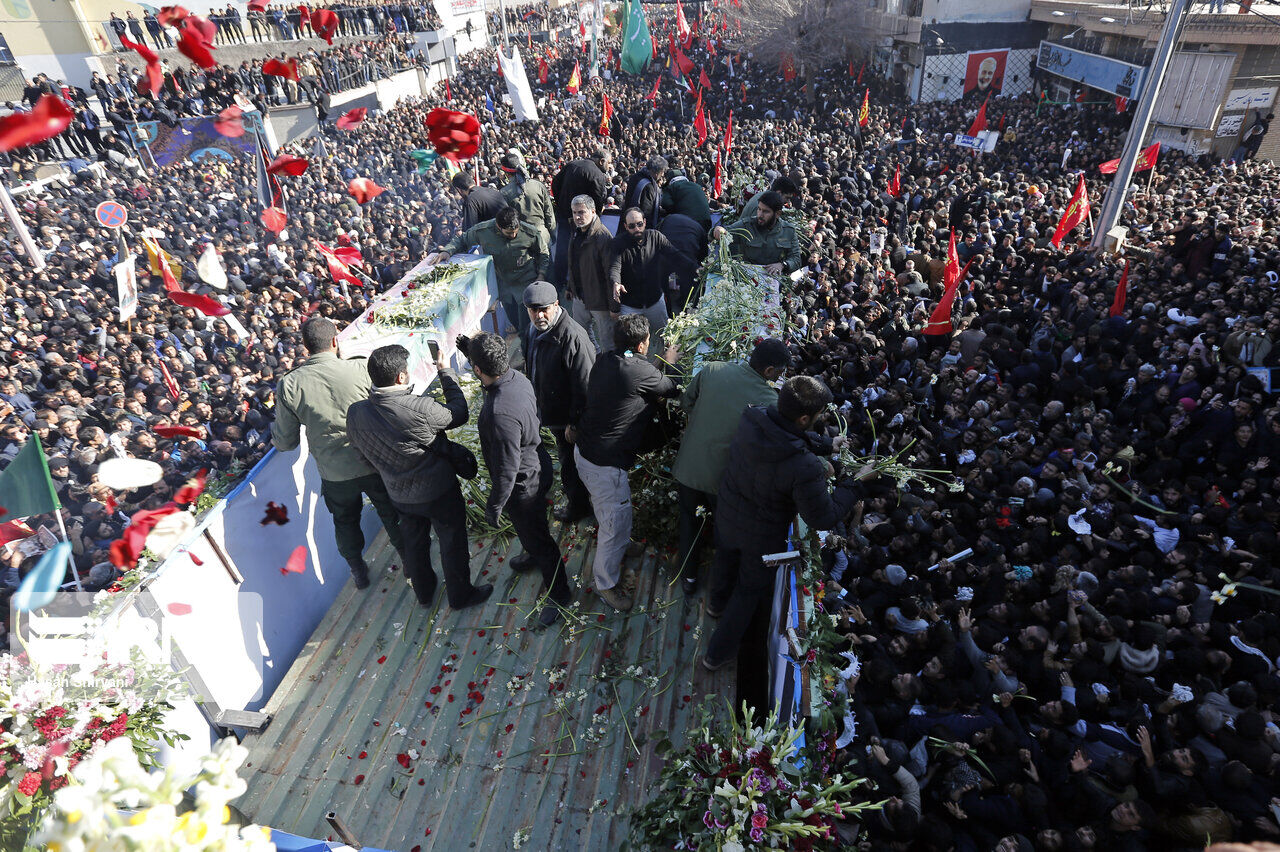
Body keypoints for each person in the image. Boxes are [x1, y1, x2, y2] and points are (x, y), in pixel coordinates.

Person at [702, 377, 865, 675]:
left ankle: (714, 605)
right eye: (816, 417)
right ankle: (715, 654)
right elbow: (823, 516)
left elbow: (785, 434)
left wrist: (828, 444)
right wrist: (855, 484)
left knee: (724, 558)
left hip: (728, 512)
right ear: (805, 418)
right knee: (748, 592)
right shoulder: (804, 468)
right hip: (761, 536)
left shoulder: (753, 415)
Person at [345, 344, 493, 611]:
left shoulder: (356, 413)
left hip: (399, 494)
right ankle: (460, 596)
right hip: (439, 490)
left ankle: (424, 593)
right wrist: (446, 373)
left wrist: (388, 472)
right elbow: (458, 413)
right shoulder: (418, 407)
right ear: (401, 377)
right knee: (451, 541)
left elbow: (361, 454)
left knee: (414, 543)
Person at [271, 317, 405, 589]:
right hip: (374, 460)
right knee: (392, 513)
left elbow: (285, 443)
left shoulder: (290, 384)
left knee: (345, 521)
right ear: (335, 341)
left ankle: (358, 570)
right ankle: (411, 560)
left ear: (306, 346)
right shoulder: (359, 367)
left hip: (335, 473)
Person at [460, 330, 571, 627]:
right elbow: (489, 378)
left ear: (479, 369)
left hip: (524, 484)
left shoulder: (498, 413)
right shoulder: (517, 378)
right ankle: (532, 552)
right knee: (532, 531)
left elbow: (507, 470)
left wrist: (494, 506)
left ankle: (559, 593)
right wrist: (469, 353)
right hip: (539, 464)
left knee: (541, 540)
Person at [572, 314, 679, 611]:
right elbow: (669, 388)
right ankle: (606, 584)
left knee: (610, 512)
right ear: (644, 343)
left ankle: (621, 543)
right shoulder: (637, 368)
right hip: (605, 466)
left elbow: (638, 374)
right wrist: (668, 361)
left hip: (586, 453)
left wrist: (654, 365)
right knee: (614, 524)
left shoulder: (608, 359)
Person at [670, 338, 790, 594]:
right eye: (780, 373)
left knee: (689, 521)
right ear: (769, 371)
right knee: (724, 531)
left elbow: (685, 402)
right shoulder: (769, 400)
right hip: (724, 480)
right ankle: (719, 587)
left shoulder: (713, 369)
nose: (779, 378)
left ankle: (688, 577)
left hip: (689, 467)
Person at [520, 280, 596, 524]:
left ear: (556, 304)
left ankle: (579, 506)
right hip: (550, 411)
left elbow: (584, 386)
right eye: (534, 310)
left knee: (571, 463)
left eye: (545, 309)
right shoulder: (534, 330)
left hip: (568, 419)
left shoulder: (573, 337)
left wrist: (573, 423)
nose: (540, 315)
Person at [429, 206, 549, 338]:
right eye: (509, 233)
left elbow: (543, 253)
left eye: (516, 232)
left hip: (525, 281)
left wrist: (541, 275)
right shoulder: (483, 231)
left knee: (528, 323)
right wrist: (448, 251)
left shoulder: (529, 232)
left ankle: (529, 346)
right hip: (504, 285)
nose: (513, 236)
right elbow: (462, 239)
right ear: (498, 226)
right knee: (513, 318)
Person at [610, 207, 694, 358]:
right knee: (627, 346)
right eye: (631, 226)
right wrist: (616, 282)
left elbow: (675, 255)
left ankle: (667, 363)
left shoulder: (656, 236)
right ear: (625, 226)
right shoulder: (618, 243)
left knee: (667, 336)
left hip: (655, 301)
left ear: (645, 222)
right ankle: (631, 367)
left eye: (639, 224)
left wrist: (696, 268)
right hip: (630, 305)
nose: (637, 228)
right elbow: (615, 267)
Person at [550, 147, 612, 289]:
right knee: (582, 248)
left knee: (563, 246)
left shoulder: (572, 164)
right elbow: (598, 198)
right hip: (583, 219)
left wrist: (561, 203)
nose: (609, 167)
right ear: (601, 161)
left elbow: (555, 183)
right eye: (608, 163)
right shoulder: (597, 173)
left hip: (564, 214)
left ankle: (559, 280)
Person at [565, 194, 619, 351]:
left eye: (581, 212)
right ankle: (595, 358)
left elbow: (611, 273)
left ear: (593, 211)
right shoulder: (575, 231)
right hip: (579, 296)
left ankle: (610, 369)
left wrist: (614, 306)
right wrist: (570, 287)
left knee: (609, 342)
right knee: (581, 336)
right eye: (574, 212)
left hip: (599, 300)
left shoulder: (603, 236)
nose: (577, 217)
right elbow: (573, 262)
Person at [712, 190, 803, 277]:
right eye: (759, 209)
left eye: (765, 211)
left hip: (773, 280)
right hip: (747, 279)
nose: (760, 215)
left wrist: (783, 265)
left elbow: (796, 260)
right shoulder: (746, 225)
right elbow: (725, 232)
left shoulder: (788, 230)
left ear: (777, 214)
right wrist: (717, 230)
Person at [498, 150, 556, 245]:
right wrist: (551, 234)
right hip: (543, 235)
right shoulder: (538, 185)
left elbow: (506, 221)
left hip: (521, 239)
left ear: (506, 173)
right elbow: (549, 214)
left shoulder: (504, 192)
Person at [623, 155, 667, 227]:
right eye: (662, 172)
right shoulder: (649, 186)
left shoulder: (635, 177)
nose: (662, 175)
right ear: (657, 173)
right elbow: (646, 212)